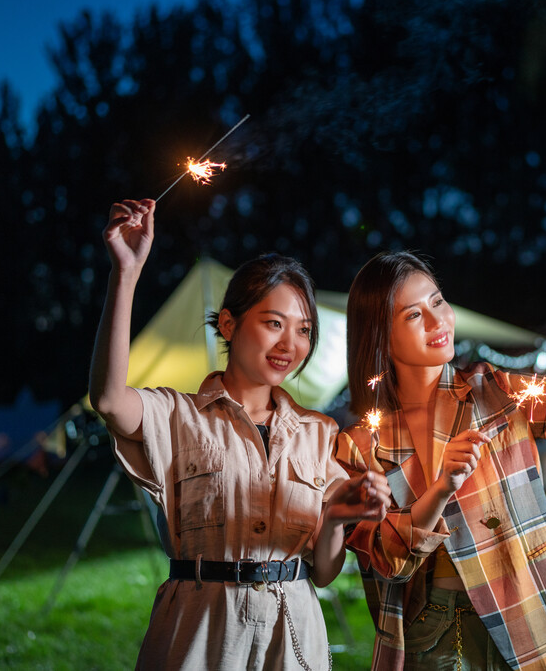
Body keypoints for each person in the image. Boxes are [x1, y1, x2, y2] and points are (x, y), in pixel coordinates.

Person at [336, 251, 546, 670]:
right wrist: (443, 486)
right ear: (379, 334)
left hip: (518, 609)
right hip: (425, 630)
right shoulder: (361, 444)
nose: (437, 321)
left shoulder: (499, 394)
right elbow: (388, 559)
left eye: (437, 301)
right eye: (412, 315)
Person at [89, 198, 389, 670]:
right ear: (228, 323)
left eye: (303, 330)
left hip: (291, 636)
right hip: (201, 631)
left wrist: (335, 517)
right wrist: (124, 273)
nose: (290, 344)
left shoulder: (319, 432)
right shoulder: (178, 415)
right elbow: (108, 399)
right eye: (273, 323)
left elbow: (326, 573)